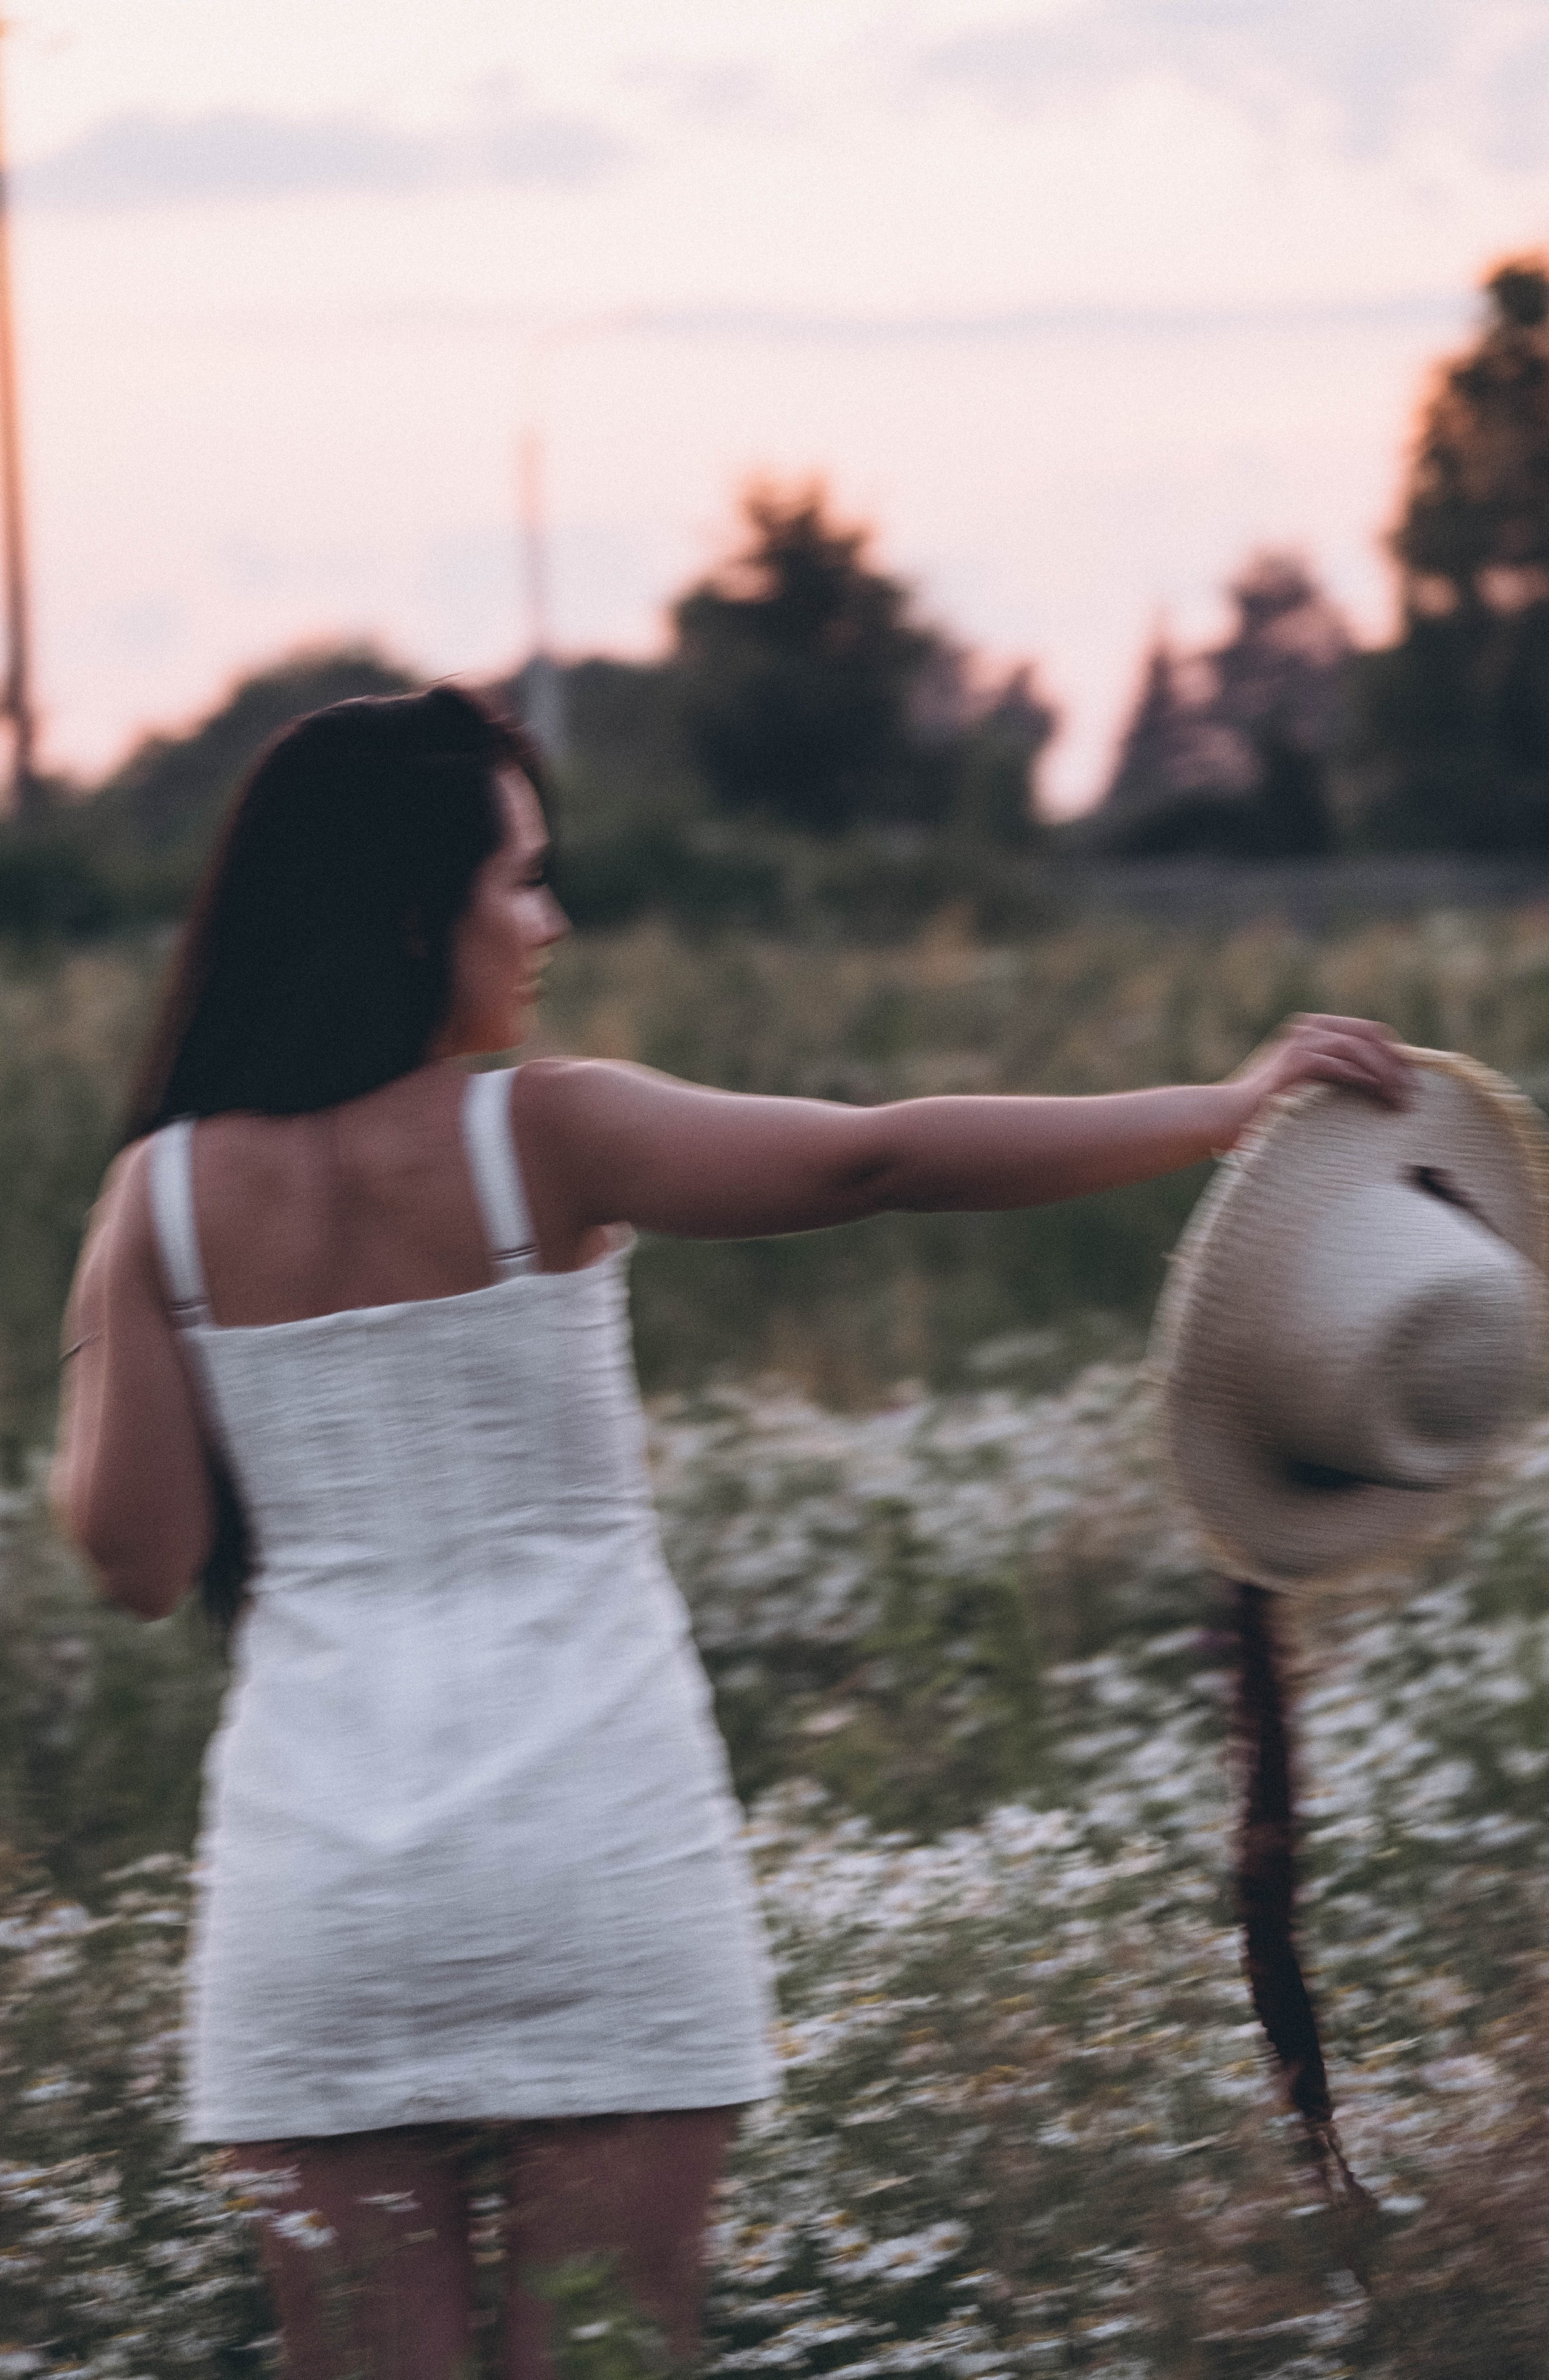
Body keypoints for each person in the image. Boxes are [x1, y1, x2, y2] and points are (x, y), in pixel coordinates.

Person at [51, 685, 1410, 2380]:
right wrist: (1220, 1109)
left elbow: (138, 1555)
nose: (551, 922)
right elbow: (876, 1163)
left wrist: (127, 1323)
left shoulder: (161, 1199)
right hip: (587, 1845)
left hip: (322, 1886)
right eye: (524, 881)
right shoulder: (539, 1132)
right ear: (414, 913)